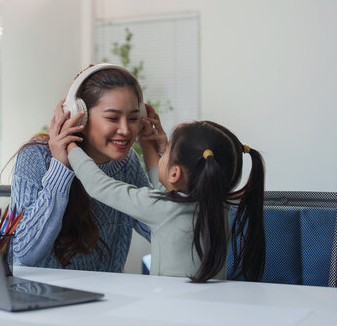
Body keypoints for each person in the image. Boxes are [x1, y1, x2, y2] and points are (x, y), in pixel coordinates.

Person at [66, 105, 266, 282]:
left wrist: (71, 144)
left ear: (175, 172)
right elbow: (167, 187)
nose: (163, 154)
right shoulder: (218, 207)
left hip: (168, 307)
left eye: (167, 150)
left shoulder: (160, 208)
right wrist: (147, 143)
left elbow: (100, 186)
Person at [9, 64, 151, 272]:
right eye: (112, 118)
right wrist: (60, 168)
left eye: (133, 118)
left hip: (107, 297)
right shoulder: (37, 157)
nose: (125, 130)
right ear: (80, 115)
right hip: (45, 296)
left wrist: (155, 158)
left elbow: (166, 231)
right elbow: (25, 253)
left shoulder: (127, 162)